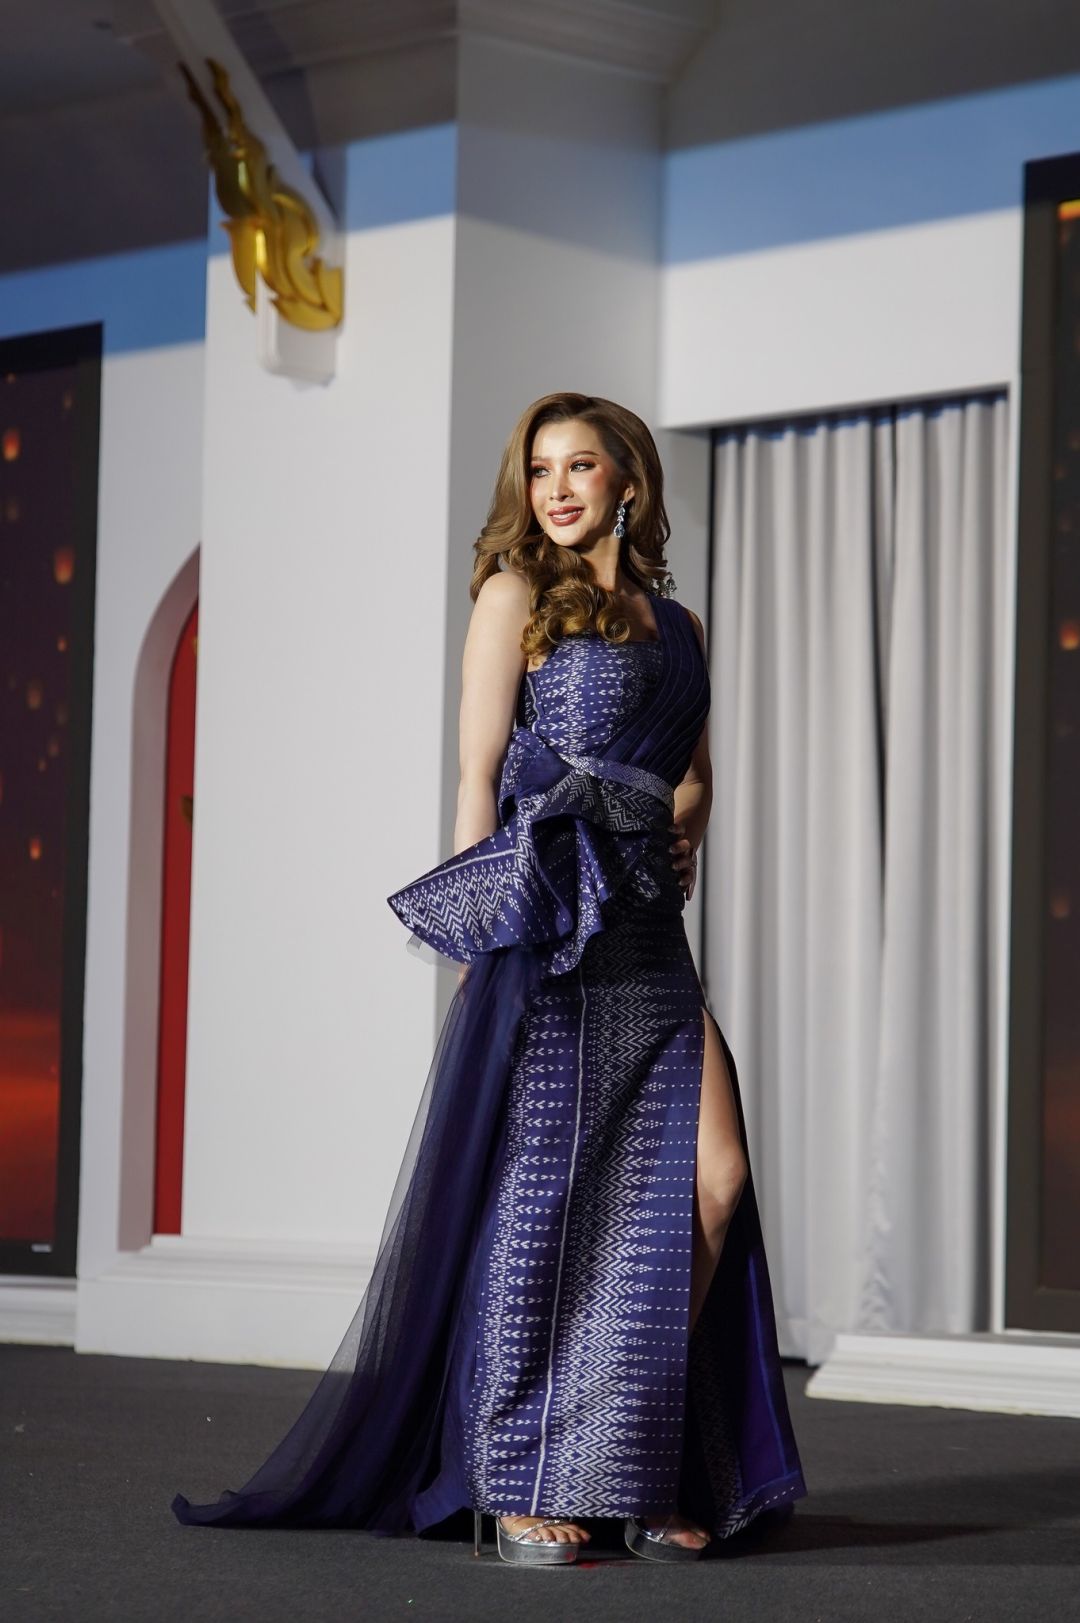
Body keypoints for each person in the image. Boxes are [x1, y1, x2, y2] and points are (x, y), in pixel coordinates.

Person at [173, 392, 807, 1566]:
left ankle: (624, 1450)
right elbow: (477, 779)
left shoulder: (682, 624)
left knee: (712, 1183)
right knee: (541, 1208)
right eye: (540, 470)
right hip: (548, 924)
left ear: (630, 480)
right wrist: (483, 940)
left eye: (580, 466)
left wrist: (683, 829)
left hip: (647, 936)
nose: (556, 489)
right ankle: (520, 1481)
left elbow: (696, 773)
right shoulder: (515, 599)